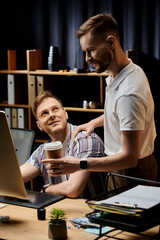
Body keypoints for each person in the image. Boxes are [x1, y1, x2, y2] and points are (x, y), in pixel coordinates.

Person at [42, 13, 158, 187]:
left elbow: (129, 158)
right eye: (85, 52)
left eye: (91, 51)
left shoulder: (128, 92)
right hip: (121, 170)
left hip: (132, 173)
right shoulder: (123, 72)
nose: (87, 59)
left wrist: (79, 164)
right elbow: (123, 115)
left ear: (111, 43)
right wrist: (93, 123)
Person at [20, 90, 105, 198]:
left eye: (55, 109)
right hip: (60, 210)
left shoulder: (85, 139)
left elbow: (73, 189)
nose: (51, 115)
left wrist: (47, 189)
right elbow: (16, 178)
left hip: (88, 212)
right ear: (39, 126)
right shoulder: (43, 150)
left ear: (65, 114)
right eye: (44, 113)